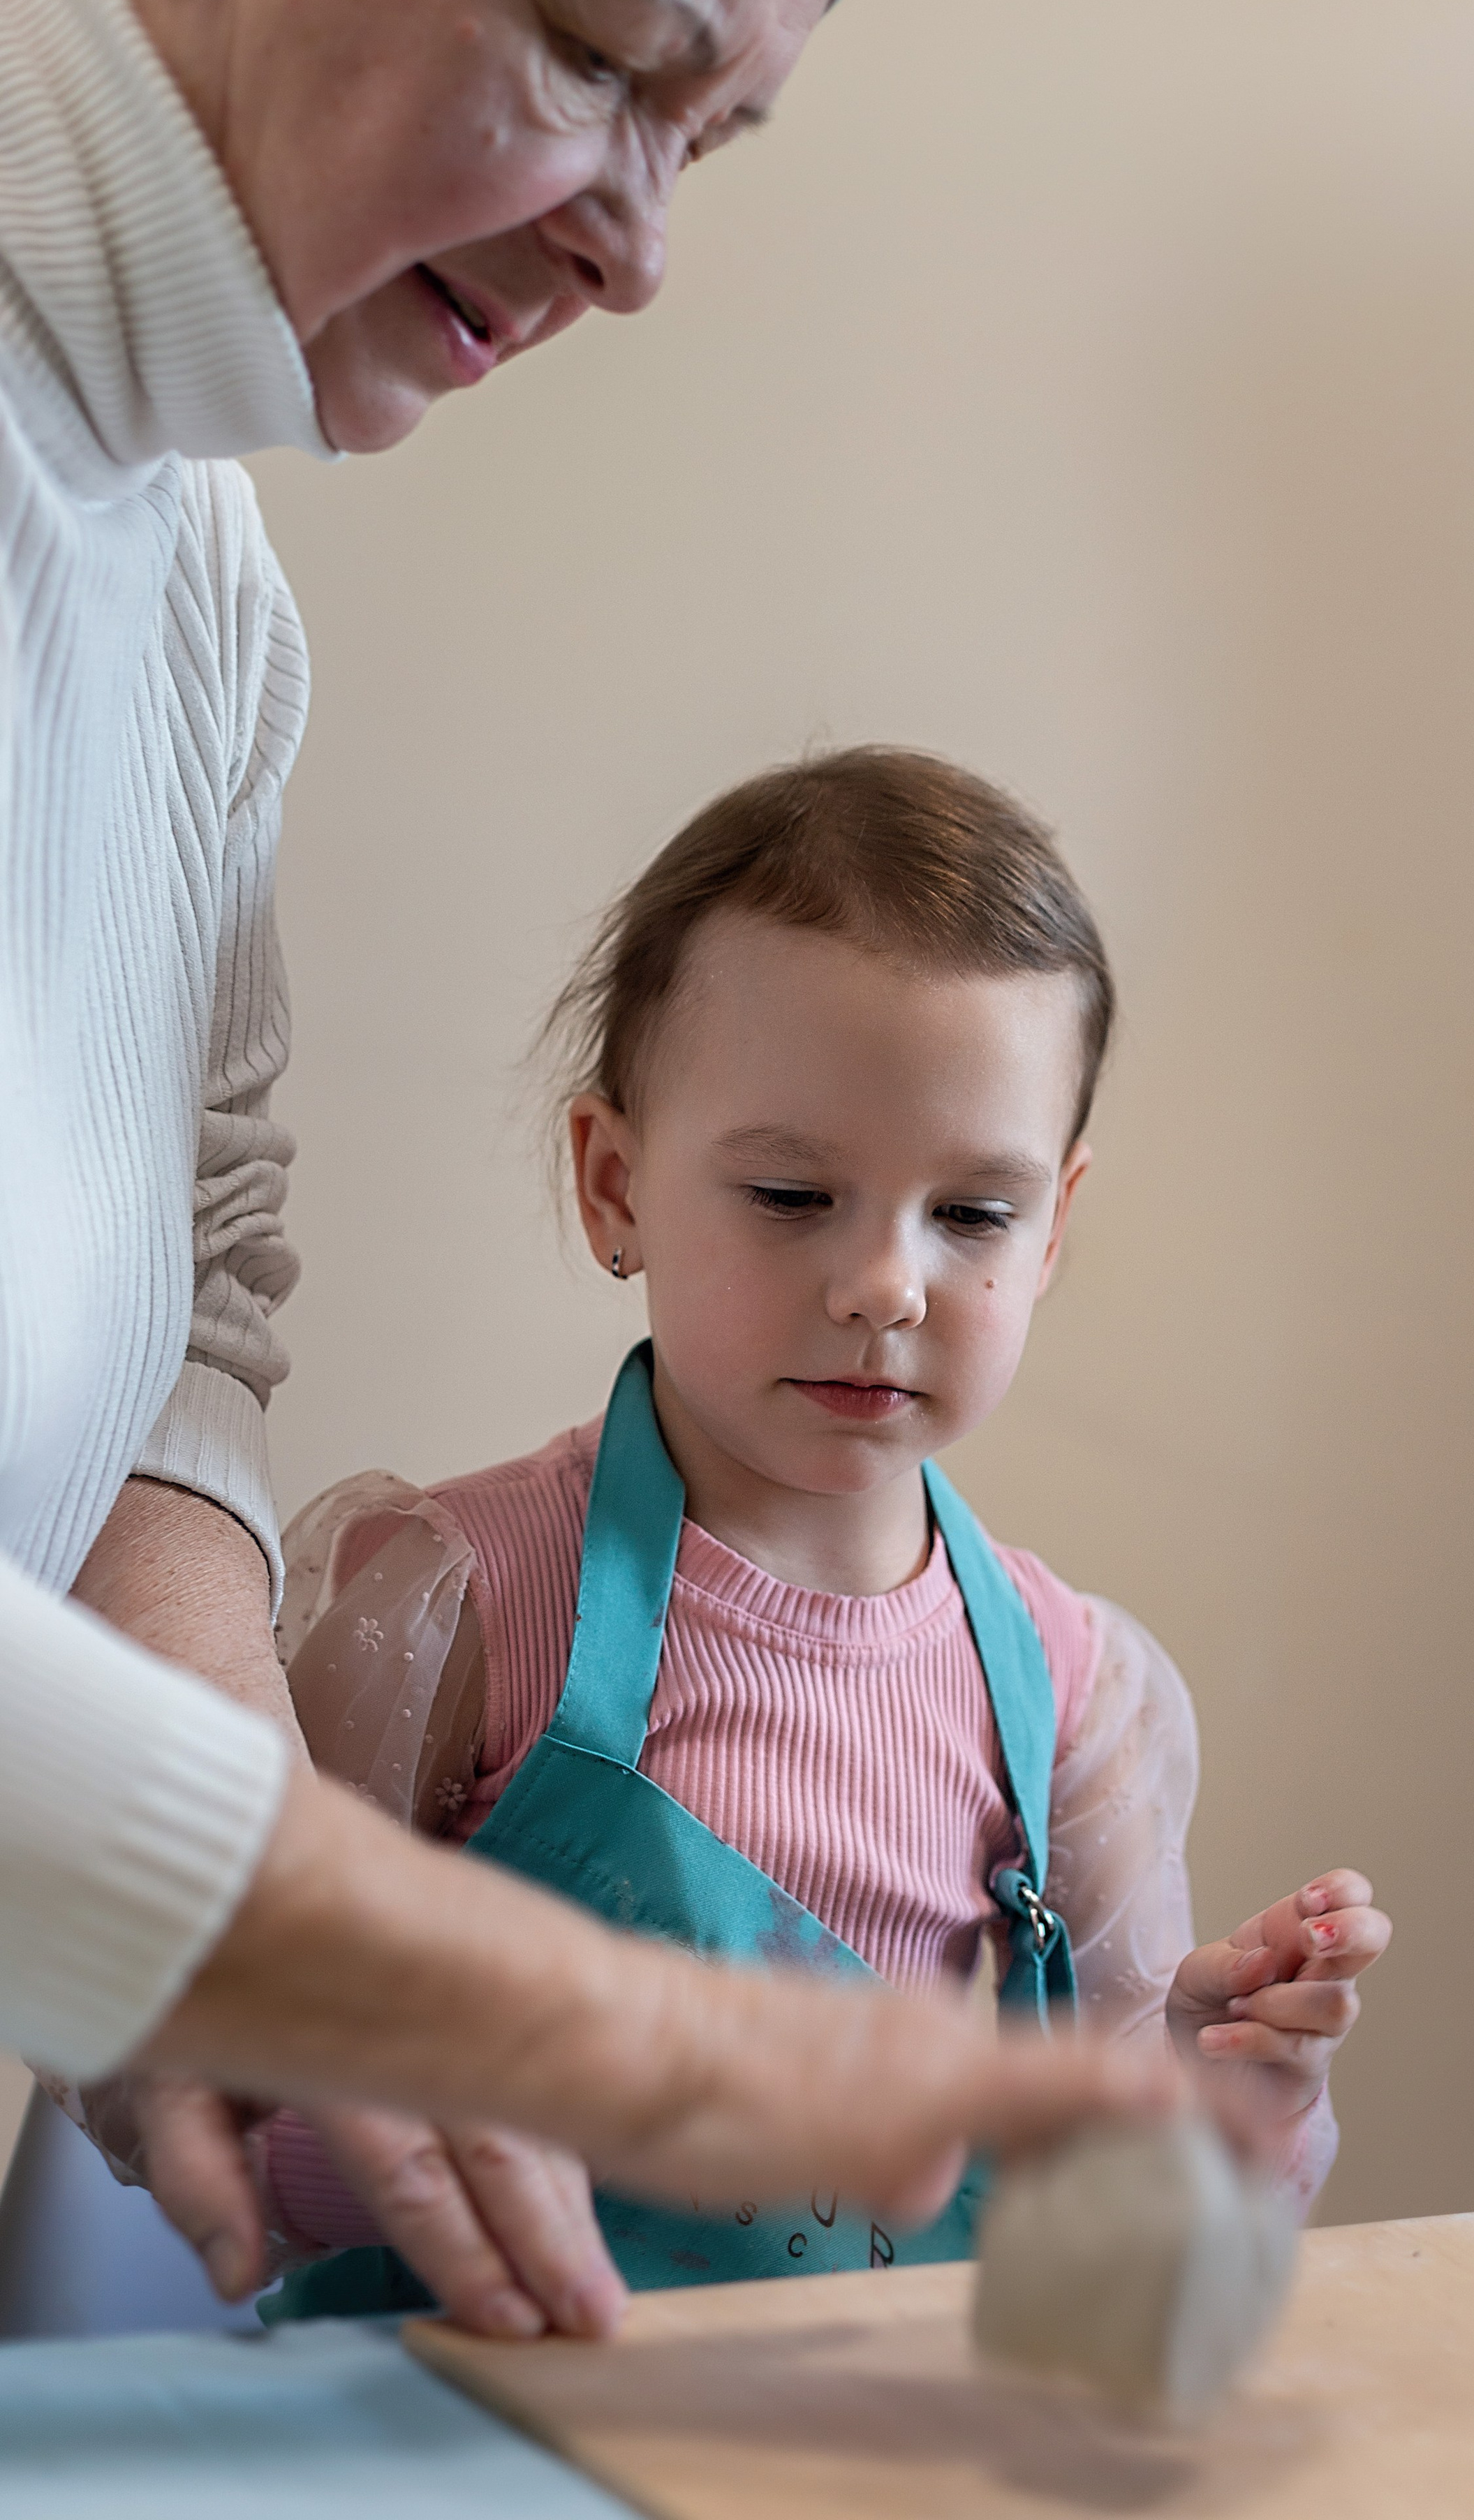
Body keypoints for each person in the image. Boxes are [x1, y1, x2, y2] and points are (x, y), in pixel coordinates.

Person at [0, 0, 1174, 2343]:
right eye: (603, 48)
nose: (642, 252)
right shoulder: (474, 1593)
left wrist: (270, 1936)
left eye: (709, 140)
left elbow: (174, 1342)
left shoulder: (198, 585)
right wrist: (540, 2003)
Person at [211, 748, 1392, 2314]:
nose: (883, 1286)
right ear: (614, 1183)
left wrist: (1226, 2073)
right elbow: (221, 2111)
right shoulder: (452, 1604)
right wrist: (565, 2089)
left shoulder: (1070, 1690)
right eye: (788, 1195)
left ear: (1052, 1234)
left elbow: (1120, 2235)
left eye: (971, 1214)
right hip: (455, 2423)